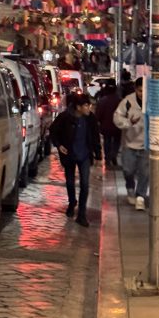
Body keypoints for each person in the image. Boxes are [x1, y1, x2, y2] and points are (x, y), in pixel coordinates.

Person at [50, 91, 101, 227]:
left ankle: (82, 214)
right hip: (69, 154)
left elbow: (95, 136)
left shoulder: (90, 119)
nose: (89, 108)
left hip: (85, 155)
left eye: (89, 105)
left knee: (85, 184)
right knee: (70, 182)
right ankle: (72, 202)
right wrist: (59, 145)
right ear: (78, 107)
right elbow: (53, 131)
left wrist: (98, 154)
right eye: (86, 106)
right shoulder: (65, 117)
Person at [114, 77, 148, 209]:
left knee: (144, 172)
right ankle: (130, 188)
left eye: (144, 91)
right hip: (129, 143)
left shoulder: (152, 101)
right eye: (140, 91)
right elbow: (117, 118)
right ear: (136, 89)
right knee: (128, 170)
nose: (142, 94)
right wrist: (128, 123)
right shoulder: (127, 101)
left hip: (146, 144)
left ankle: (140, 196)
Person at [95, 80, 122, 169]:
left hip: (106, 126)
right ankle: (114, 154)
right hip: (117, 126)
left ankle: (107, 158)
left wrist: (98, 123)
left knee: (107, 141)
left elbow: (98, 115)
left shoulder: (102, 101)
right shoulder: (120, 100)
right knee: (117, 141)